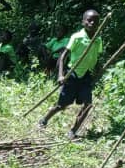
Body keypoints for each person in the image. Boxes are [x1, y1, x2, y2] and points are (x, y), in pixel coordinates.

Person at [37, 10, 103, 140]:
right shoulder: (77, 37)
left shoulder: (98, 40)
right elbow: (62, 57)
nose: (92, 23)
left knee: (88, 104)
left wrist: (98, 70)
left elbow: (96, 57)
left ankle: (73, 130)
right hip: (72, 75)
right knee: (62, 105)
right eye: (89, 20)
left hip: (86, 76)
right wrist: (60, 75)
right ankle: (44, 119)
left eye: (95, 21)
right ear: (83, 22)